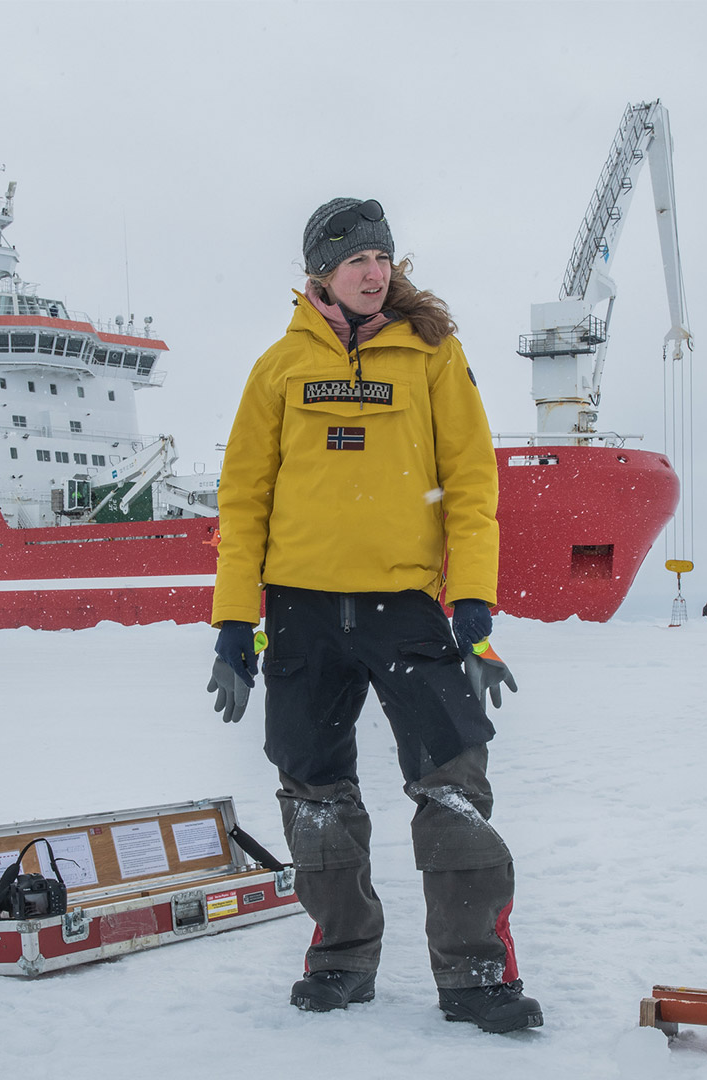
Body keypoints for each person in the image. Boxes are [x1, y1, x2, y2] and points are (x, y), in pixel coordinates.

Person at [204, 197, 540, 1033]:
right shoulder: (276, 370)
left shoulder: (432, 355)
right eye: (356, 259)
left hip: (403, 607)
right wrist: (234, 626)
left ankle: (476, 976)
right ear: (321, 270)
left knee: (454, 783)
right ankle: (341, 960)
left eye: (382, 257)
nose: (373, 270)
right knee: (314, 792)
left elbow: (471, 486)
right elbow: (242, 503)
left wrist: (473, 610)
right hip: (302, 611)